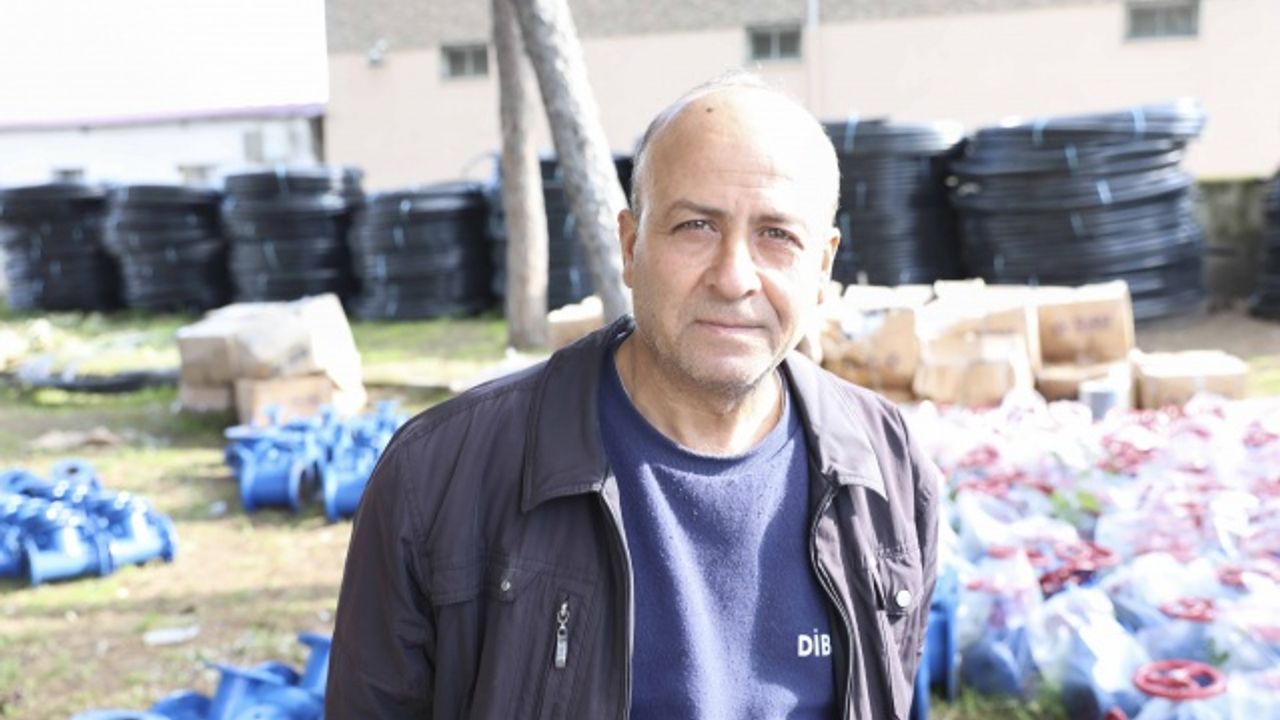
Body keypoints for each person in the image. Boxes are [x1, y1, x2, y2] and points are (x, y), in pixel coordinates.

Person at [326, 72, 940, 719]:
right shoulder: (440, 478)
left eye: (777, 235)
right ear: (629, 244)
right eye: (696, 226)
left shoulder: (888, 468)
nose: (734, 278)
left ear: (823, 266)